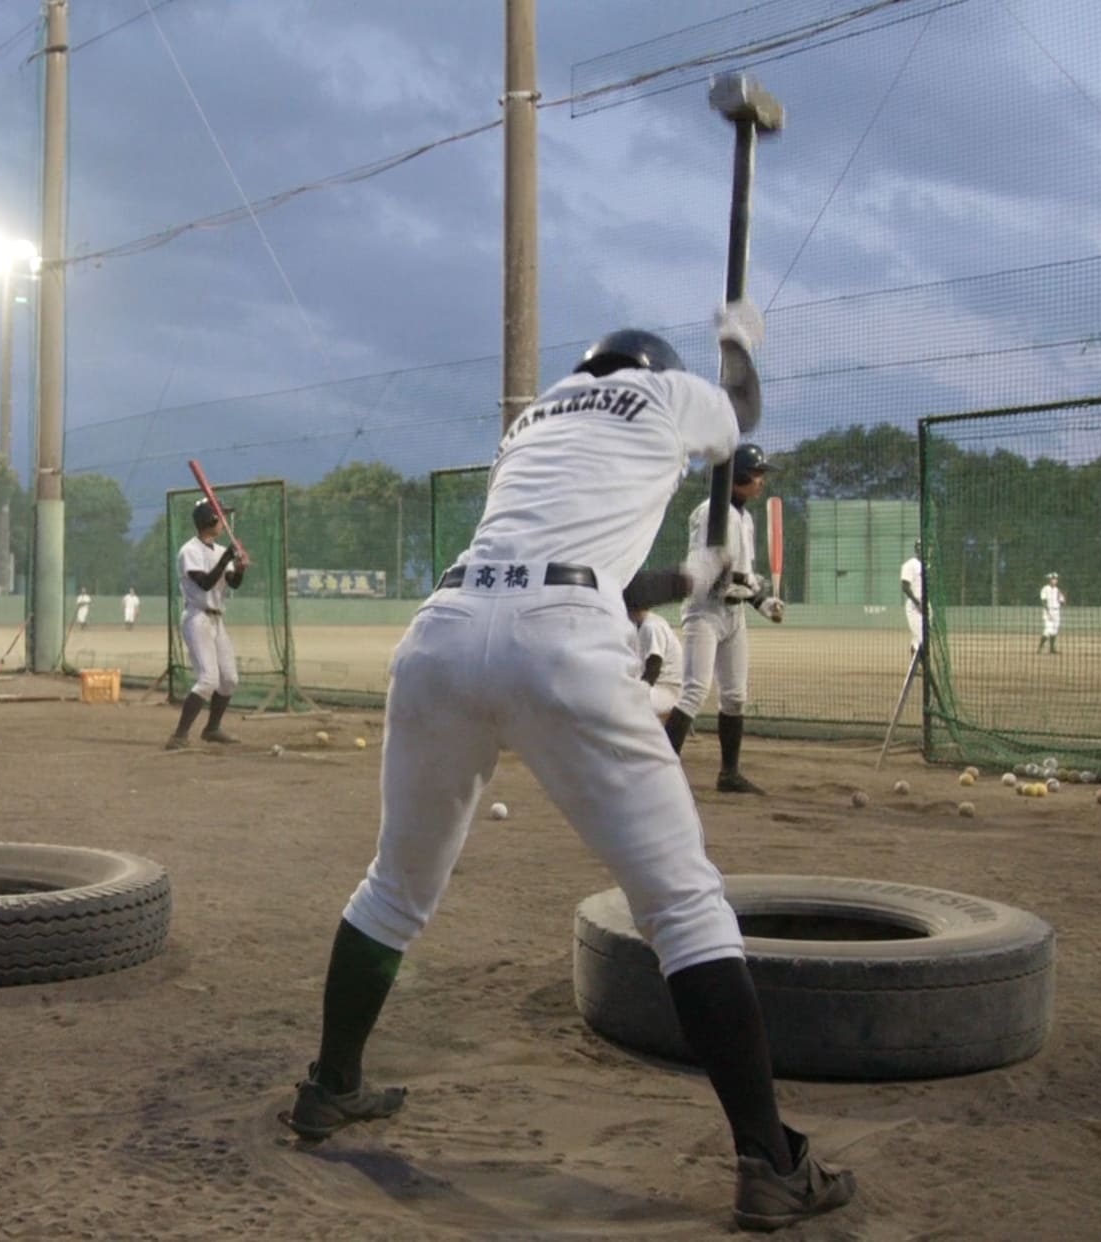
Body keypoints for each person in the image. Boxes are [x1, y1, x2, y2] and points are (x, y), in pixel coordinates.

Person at [282, 308, 856, 1232]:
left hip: (445, 634)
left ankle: (330, 1086)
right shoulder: (667, 394)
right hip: (562, 646)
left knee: (393, 889)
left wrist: (689, 576)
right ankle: (771, 1160)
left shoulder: (536, 417)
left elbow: (602, 574)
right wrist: (741, 346)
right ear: (656, 369)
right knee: (683, 907)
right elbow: (738, 416)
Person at [668, 443, 785, 794]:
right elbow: (709, 566)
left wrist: (762, 602)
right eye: (758, 473)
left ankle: (729, 774)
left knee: (735, 696)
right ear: (739, 477)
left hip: (733, 616)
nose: (762, 480)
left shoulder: (745, 517)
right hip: (704, 611)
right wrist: (738, 586)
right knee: (694, 691)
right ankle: (656, 772)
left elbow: (741, 575)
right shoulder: (711, 512)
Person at [167, 500, 248, 750]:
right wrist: (225, 559)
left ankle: (212, 728)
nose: (223, 522)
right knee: (208, 679)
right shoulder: (189, 551)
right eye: (220, 517)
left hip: (216, 619)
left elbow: (232, 583)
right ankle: (179, 736)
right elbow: (204, 583)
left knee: (230, 679)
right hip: (197, 618)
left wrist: (241, 567)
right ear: (209, 521)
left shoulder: (219, 549)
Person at [630, 604, 685, 721]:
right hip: (658, 687)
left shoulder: (651, 626)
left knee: (624, 702)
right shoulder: (641, 625)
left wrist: (637, 691)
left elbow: (653, 668)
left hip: (668, 690)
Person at [899, 541, 925, 653]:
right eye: (919, 547)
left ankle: (917, 667)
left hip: (925, 604)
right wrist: (917, 603)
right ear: (916, 550)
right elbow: (905, 587)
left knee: (919, 638)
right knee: (921, 637)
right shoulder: (910, 564)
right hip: (915, 605)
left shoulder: (926, 566)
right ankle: (918, 665)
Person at [1037, 573, 1065, 655]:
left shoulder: (1057, 590)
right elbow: (1043, 601)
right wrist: (1048, 612)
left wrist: (1062, 600)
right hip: (1048, 611)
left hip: (1057, 611)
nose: (1055, 580)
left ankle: (1052, 649)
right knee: (1048, 630)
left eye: (1056, 579)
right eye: (1053, 579)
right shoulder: (1045, 589)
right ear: (1049, 580)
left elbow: (1062, 601)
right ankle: (1039, 648)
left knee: (1055, 631)